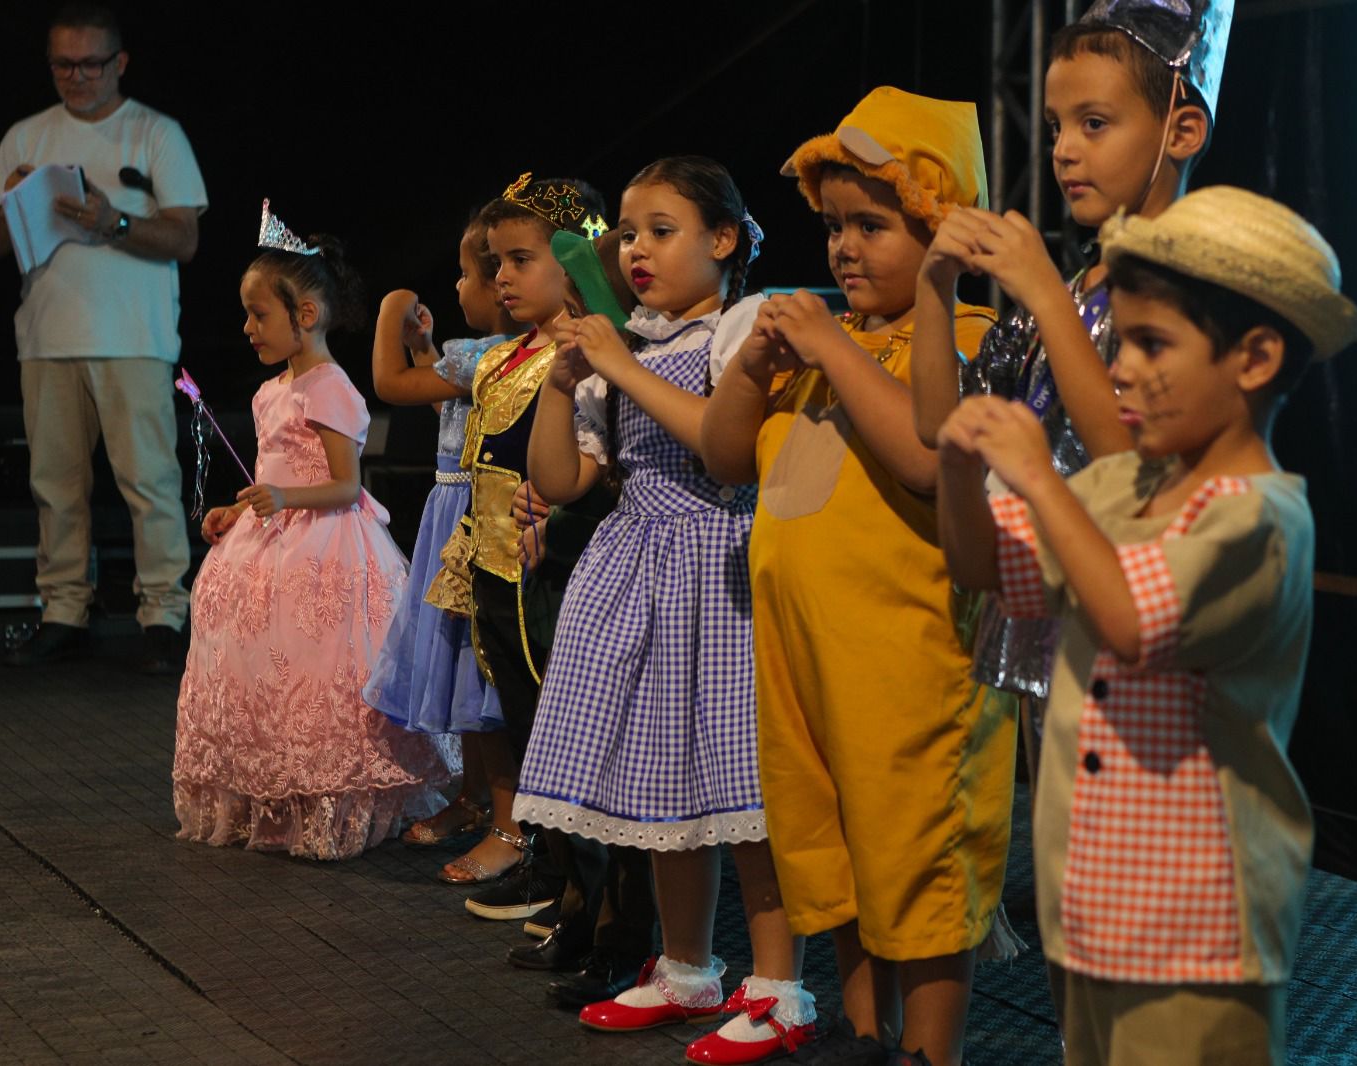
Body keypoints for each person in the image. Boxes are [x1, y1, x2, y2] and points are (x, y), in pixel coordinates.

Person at [936, 186, 1357, 1065]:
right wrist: (956, 465)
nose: (1122, 369)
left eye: (1152, 344)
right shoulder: (1118, 487)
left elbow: (1134, 623)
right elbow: (984, 567)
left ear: (1254, 358)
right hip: (1090, 900)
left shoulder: (1259, 518)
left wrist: (1040, 479)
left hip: (1196, 927)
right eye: (1122, 341)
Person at [702, 88, 1010, 1066]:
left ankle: (929, 1052)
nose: (842, 248)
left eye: (870, 226)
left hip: (908, 671)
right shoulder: (816, 353)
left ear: (939, 232)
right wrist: (754, 364)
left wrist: (832, 344)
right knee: (831, 854)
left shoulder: (964, 341)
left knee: (913, 857)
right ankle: (866, 1037)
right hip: (802, 664)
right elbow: (724, 455)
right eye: (833, 226)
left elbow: (925, 458)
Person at [517, 156, 815, 1064]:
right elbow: (561, 479)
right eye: (628, 235)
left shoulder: (740, 328)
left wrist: (619, 362)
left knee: (742, 787)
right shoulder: (625, 349)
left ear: (723, 240)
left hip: (719, 570)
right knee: (662, 784)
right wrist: (564, 382)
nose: (635, 251)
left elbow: (727, 452)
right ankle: (688, 967)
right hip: (637, 571)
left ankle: (780, 986)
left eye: (661, 230)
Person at [911, 0, 1234, 776]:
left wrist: (1046, 299)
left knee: (1132, 817)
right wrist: (935, 287)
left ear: (1181, 131)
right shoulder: (1072, 290)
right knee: (1062, 819)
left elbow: (1135, 466)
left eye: (1094, 124)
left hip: (1144, 606)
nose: (1062, 150)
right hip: (1051, 597)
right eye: (1056, 126)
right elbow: (937, 426)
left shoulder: (1197, 287)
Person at [422, 178, 654, 1003]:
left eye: (521, 259)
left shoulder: (618, 354)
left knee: (600, 751)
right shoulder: (531, 357)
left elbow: (611, 467)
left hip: (587, 565)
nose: (503, 278)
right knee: (545, 737)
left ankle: (618, 922)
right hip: (525, 565)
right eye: (496, 262)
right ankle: (572, 897)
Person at [170, 202, 450, 860]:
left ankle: (333, 803)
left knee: (320, 673)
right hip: (270, 544)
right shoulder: (271, 391)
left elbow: (346, 485)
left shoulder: (329, 388)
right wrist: (240, 509)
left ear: (306, 314)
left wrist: (282, 498)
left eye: (258, 315)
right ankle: (269, 798)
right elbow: (272, 469)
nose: (247, 328)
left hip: (324, 545)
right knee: (261, 670)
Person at [0, 3, 206, 673]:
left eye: (91, 64)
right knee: (55, 485)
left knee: (149, 482)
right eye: (63, 65)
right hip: (48, 337)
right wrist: (13, 203)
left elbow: (185, 238)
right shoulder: (26, 136)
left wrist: (114, 222)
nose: (77, 77)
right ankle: (63, 611)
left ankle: (163, 616)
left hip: (134, 337)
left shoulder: (156, 133)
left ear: (119, 63)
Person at [363, 206, 518, 869]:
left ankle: (508, 821)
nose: (457, 287)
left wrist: (390, 310)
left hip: (471, 517)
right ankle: (474, 797)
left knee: (481, 679)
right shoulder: (473, 358)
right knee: (461, 673)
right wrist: (426, 347)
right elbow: (445, 405)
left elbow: (389, 385)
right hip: (449, 515)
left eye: (464, 275)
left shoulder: (492, 357)